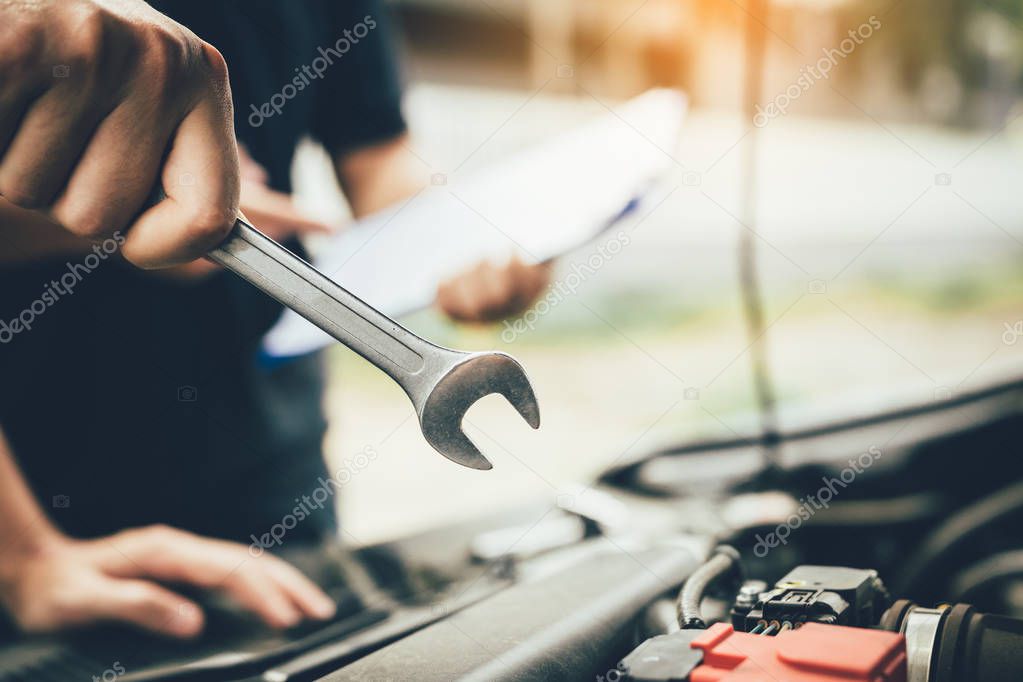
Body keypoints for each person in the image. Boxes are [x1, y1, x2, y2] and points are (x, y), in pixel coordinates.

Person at [0, 0, 549, 639]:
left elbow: (378, 154)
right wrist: (23, 559)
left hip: (271, 458)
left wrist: (466, 240)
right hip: (48, 494)